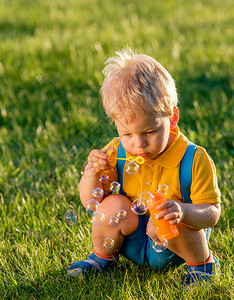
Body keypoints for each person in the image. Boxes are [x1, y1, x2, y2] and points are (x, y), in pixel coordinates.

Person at [66, 48, 221, 286]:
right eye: (126, 133)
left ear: (172, 119)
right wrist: (91, 173)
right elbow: (91, 202)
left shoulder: (193, 159)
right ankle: (101, 259)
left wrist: (183, 211)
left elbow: (212, 213)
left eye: (149, 132)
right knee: (112, 205)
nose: (138, 144)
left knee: (168, 215)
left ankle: (202, 266)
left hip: (178, 245)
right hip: (136, 241)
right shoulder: (116, 153)